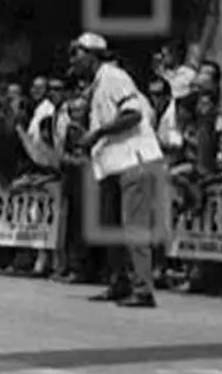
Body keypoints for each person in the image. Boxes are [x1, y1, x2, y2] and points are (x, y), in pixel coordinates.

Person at [70, 32, 166, 309]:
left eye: (77, 53)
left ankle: (143, 289)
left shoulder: (114, 77)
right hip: (110, 165)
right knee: (110, 227)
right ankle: (119, 281)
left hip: (133, 161)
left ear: (92, 54)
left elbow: (133, 114)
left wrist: (97, 132)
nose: (73, 60)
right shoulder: (96, 85)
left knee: (133, 227)